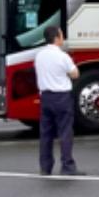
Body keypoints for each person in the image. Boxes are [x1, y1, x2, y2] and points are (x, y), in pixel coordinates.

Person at [34, 24, 82, 177]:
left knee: (46, 133)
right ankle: (67, 165)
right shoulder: (62, 56)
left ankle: (45, 166)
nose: (63, 37)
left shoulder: (39, 55)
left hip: (46, 97)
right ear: (56, 38)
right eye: (61, 35)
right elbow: (75, 74)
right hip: (62, 97)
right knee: (65, 131)